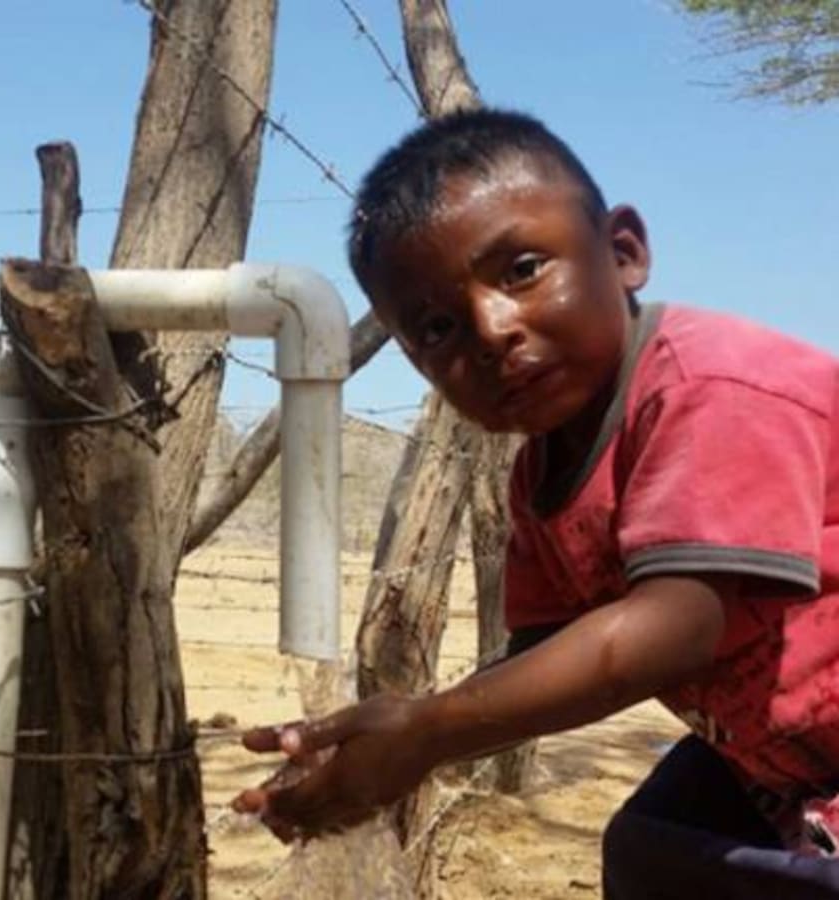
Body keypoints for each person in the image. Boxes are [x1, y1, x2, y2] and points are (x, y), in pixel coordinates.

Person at [232, 108, 839, 897]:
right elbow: (541, 662)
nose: (491, 330)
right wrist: (368, 750)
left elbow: (677, 628)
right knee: (649, 854)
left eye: (521, 270)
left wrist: (426, 733)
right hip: (788, 758)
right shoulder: (542, 478)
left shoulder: (710, 387)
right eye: (437, 328)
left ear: (623, 253)